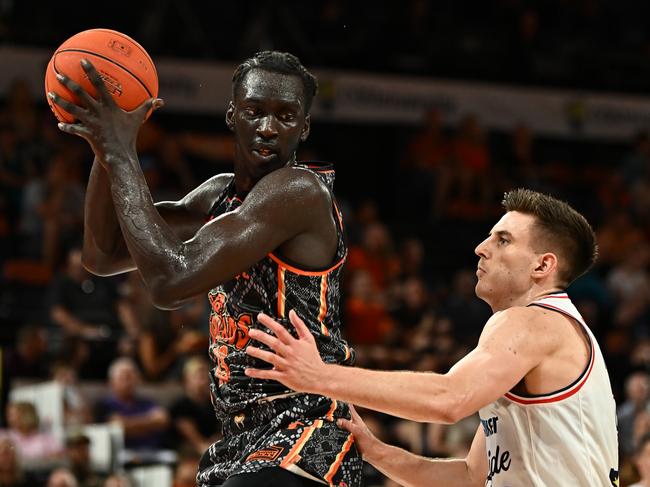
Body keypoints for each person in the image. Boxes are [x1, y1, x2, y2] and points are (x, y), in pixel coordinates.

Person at [48, 50, 361, 486]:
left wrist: (121, 153)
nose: (268, 128)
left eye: (286, 117)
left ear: (304, 127)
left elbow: (169, 282)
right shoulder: (219, 195)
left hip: (307, 433)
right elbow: (103, 255)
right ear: (232, 115)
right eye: (254, 112)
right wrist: (105, 147)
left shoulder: (300, 191)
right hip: (239, 441)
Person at [245, 188, 619, 486]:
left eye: (503, 240)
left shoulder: (533, 321)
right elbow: (471, 477)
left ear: (543, 265)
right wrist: (376, 451)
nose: (481, 248)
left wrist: (319, 375)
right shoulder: (546, 332)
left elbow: (449, 399)